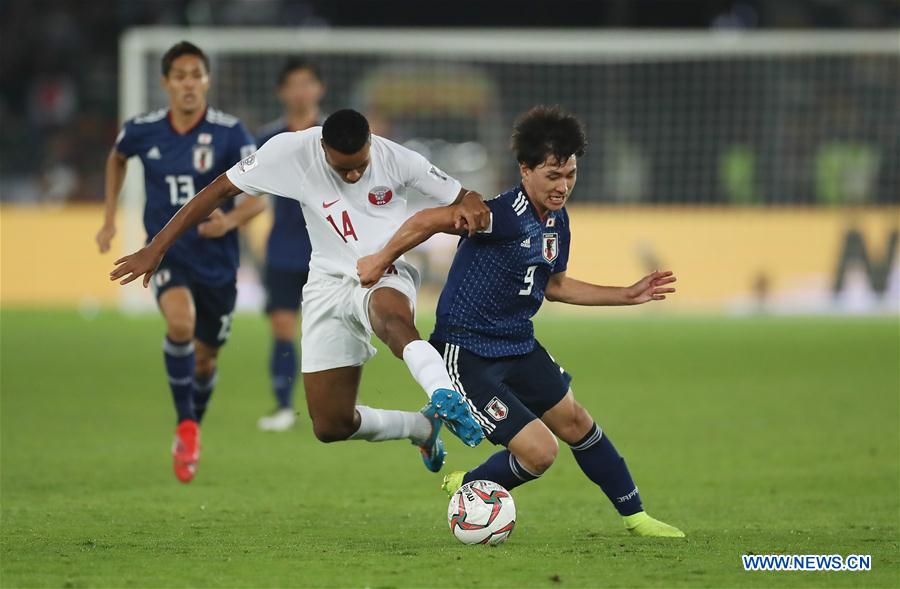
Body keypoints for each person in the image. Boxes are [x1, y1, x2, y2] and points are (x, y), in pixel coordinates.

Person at [357, 106, 685, 537]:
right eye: (552, 175)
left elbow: (556, 286)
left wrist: (625, 294)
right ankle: (472, 484)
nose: (563, 185)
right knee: (540, 454)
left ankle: (637, 517)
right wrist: (381, 259)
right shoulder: (499, 216)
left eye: (570, 174)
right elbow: (426, 219)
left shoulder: (556, 220)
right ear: (525, 169)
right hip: (467, 354)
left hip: (518, 344)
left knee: (577, 423)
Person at [109, 109, 490, 475]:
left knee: (392, 319)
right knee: (330, 424)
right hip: (326, 283)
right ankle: (422, 428)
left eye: (362, 163)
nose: (356, 173)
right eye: (344, 168)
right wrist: (156, 247)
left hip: (384, 270)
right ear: (323, 149)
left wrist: (472, 201)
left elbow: (463, 196)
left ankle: (444, 393)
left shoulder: (397, 158)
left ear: (370, 142)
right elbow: (218, 190)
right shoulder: (288, 152)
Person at [95, 41, 264, 483]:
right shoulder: (143, 129)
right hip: (167, 253)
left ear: (207, 80)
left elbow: (258, 199)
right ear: (166, 82)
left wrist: (227, 222)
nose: (189, 84)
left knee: (206, 360)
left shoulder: (230, 132)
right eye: (181, 76)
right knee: (181, 325)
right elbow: (116, 158)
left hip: (217, 262)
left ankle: (190, 425)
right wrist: (111, 217)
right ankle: (186, 426)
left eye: (197, 75)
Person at [255, 59, 324, 432]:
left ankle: (340, 404)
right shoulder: (267, 138)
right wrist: (229, 220)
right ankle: (283, 407)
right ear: (282, 92)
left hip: (328, 248)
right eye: (293, 84)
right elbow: (252, 194)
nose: (300, 91)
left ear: (319, 89)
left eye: (307, 83)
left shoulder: (335, 135)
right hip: (282, 247)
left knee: (337, 329)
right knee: (282, 327)